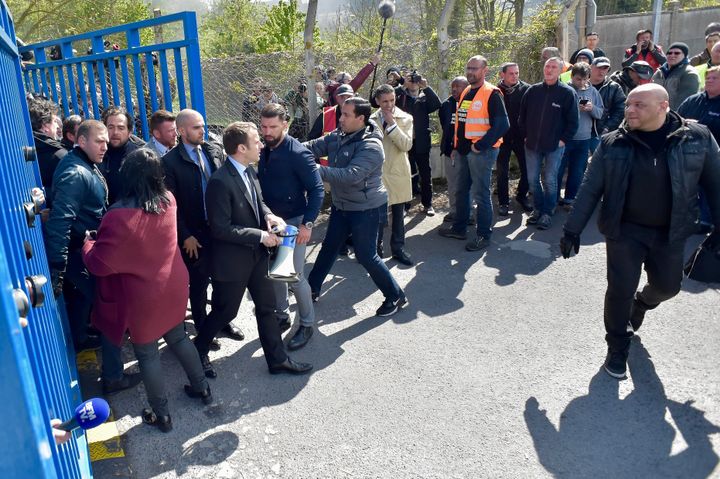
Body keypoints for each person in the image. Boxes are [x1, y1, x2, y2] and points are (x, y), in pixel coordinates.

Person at [560, 84, 720, 379]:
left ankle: (642, 303)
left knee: (669, 287)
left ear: (663, 106)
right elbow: (590, 188)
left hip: (671, 232)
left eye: (639, 105)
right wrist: (572, 230)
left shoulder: (697, 140)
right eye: (628, 105)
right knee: (619, 290)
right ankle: (617, 347)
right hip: (624, 231)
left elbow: (716, 184)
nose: (630, 110)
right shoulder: (613, 143)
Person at [82, 149, 212, 433]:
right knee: (179, 336)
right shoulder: (169, 200)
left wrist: (88, 243)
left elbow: (99, 264)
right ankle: (202, 388)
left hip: (144, 296)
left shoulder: (118, 216)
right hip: (174, 283)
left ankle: (161, 413)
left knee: (148, 353)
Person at [195, 122, 312, 377]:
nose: (261, 144)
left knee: (266, 308)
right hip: (233, 262)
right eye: (256, 140)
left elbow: (259, 204)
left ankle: (277, 359)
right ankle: (198, 350)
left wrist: (271, 217)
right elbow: (220, 229)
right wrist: (260, 235)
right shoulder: (220, 182)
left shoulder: (249, 171)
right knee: (226, 311)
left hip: (257, 258)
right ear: (240, 148)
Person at [45, 120, 140, 393]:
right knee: (111, 311)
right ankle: (112, 376)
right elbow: (61, 223)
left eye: (106, 141)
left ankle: (79, 339)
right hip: (82, 255)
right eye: (99, 140)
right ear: (81, 141)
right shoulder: (76, 172)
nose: (105, 145)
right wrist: (57, 268)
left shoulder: (82, 164)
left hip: (85, 252)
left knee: (91, 303)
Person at [305, 97, 407, 316]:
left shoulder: (371, 145)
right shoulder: (339, 135)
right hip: (342, 205)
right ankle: (310, 289)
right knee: (330, 247)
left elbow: (351, 176)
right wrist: (287, 147)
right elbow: (313, 146)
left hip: (366, 209)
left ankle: (395, 295)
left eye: (346, 115)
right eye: (341, 113)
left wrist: (313, 169)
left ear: (361, 118)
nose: (340, 118)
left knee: (366, 255)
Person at [162, 109, 244, 348]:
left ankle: (222, 321)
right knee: (198, 283)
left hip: (220, 229)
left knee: (222, 279)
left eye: (203, 125)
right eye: (197, 127)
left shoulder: (212, 150)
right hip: (194, 235)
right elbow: (171, 205)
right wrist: (184, 234)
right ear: (181, 131)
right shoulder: (169, 162)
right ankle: (202, 328)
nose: (203, 131)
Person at [257, 104, 324, 351]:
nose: (267, 131)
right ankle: (282, 315)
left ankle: (306, 324)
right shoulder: (264, 149)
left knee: (294, 277)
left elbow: (317, 190)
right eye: (263, 126)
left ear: (285, 124)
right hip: (272, 222)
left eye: (273, 126)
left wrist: (307, 224)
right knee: (276, 271)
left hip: (294, 224)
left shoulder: (298, 152)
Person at [438, 55, 509, 251]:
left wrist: (481, 145)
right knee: (461, 191)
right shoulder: (468, 91)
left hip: (481, 153)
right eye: (468, 68)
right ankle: (459, 228)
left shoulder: (492, 93)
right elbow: (461, 122)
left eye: (475, 68)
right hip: (464, 151)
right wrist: (456, 146)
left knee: (481, 194)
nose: (470, 72)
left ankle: (483, 235)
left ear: (485, 70)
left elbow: (503, 124)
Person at [518, 57, 579, 230]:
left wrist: (562, 140)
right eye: (547, 66)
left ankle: (547, 212)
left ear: (560, 71)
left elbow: (573, 121)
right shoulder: (532, 91)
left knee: (551, 180)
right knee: (532, 180)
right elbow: (521, 117)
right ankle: (537, 209)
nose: (549, 69)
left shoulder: (567, 93)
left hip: (554, 146)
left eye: (553, 67)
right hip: (531, 145)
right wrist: (525, 135)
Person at [371, 84, 414, 264]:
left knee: (398, 215)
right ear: (378, 102)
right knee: (378, 216)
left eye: (392, 100)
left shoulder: (406, 118)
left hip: (397, 171)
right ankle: (375, 250)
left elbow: (406, 145)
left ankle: (398, 248)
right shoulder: (371, 119)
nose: (389, 105)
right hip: (377, 173)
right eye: (384, 101)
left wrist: (392, 125)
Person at [678, 66, 720, 233]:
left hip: (714, 155)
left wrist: (702, 127)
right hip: (689, 151)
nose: (709, 80)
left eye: (714, 78)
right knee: (689, 186)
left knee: (709, 188)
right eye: (708, 78)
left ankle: (706, 221)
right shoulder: (693, 100)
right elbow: (676, 118)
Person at [395, 71, 442, 216]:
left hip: (421, 142)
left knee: (425, 173)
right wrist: (402, 86)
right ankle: (405, 205)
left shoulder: (424, 98)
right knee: (405, 174)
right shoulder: (400, 98)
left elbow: (437, 104)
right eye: (412, 80)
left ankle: (428, 204)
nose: (414, 82)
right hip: (404, 142)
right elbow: (378, 101)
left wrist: (426, 87)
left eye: (416, 80)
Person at [557, 63, 603, 206]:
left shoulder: (593, 92)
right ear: (571, 77)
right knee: (557, 171)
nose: (582, 82)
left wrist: (591, 108)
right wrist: (574, 109)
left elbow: (600, 113)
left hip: (584, 139)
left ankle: (570, 199)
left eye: (585, 79)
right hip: (564, 138)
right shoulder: (564, 90)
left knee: (577, 172)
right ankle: (553, 199)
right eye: (578, 79)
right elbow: (555, 112)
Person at [496, 62, 532, 214]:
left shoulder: (527, 90)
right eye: (511, 73)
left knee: (527, 169)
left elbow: (532, 114)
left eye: (517, 73)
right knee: (502, 171)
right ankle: (503, 202)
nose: (515, 76)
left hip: (521, 137)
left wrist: (529, 135)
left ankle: (522, 195)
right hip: (501, 138)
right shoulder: (495, 91)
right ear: (502, 75)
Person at [439, 76, 470, 222]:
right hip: (449, 152)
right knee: (452, 183)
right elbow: (445, 126)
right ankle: (454, 210)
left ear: (467, 87)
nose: (454, 89)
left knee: (467, 184)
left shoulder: (472, 103)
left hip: (468, 151)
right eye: (453, 86)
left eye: (458, 86)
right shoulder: (446, 105)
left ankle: (468, 213)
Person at [99, 107, 144, 203]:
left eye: (121, 128)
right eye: (110, 127)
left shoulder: (140, 156)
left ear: (130, 132)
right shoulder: (95, 153)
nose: (115, 132)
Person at [28, 98, 67, 201]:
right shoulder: (60, 155)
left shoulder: (22, 149)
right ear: (45, 125)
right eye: (54, 121)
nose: (58, 125)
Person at [589, 57, 626, 151]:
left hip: (601, 133)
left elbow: (620, 110)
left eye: (605, 68)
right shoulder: (581, 84)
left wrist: (607, 128)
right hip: (580, 134)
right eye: (599, 68)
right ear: (591, 67)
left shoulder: (614, 87)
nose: (601, 71)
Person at [651, 42, 700, 111]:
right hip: (656, 115)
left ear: (685, 55)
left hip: (675, 117)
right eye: (669, 53)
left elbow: (686, 102)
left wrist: (673, 118)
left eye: (677, 53)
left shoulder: (689, 73)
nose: (672, 55)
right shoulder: (659, 72)